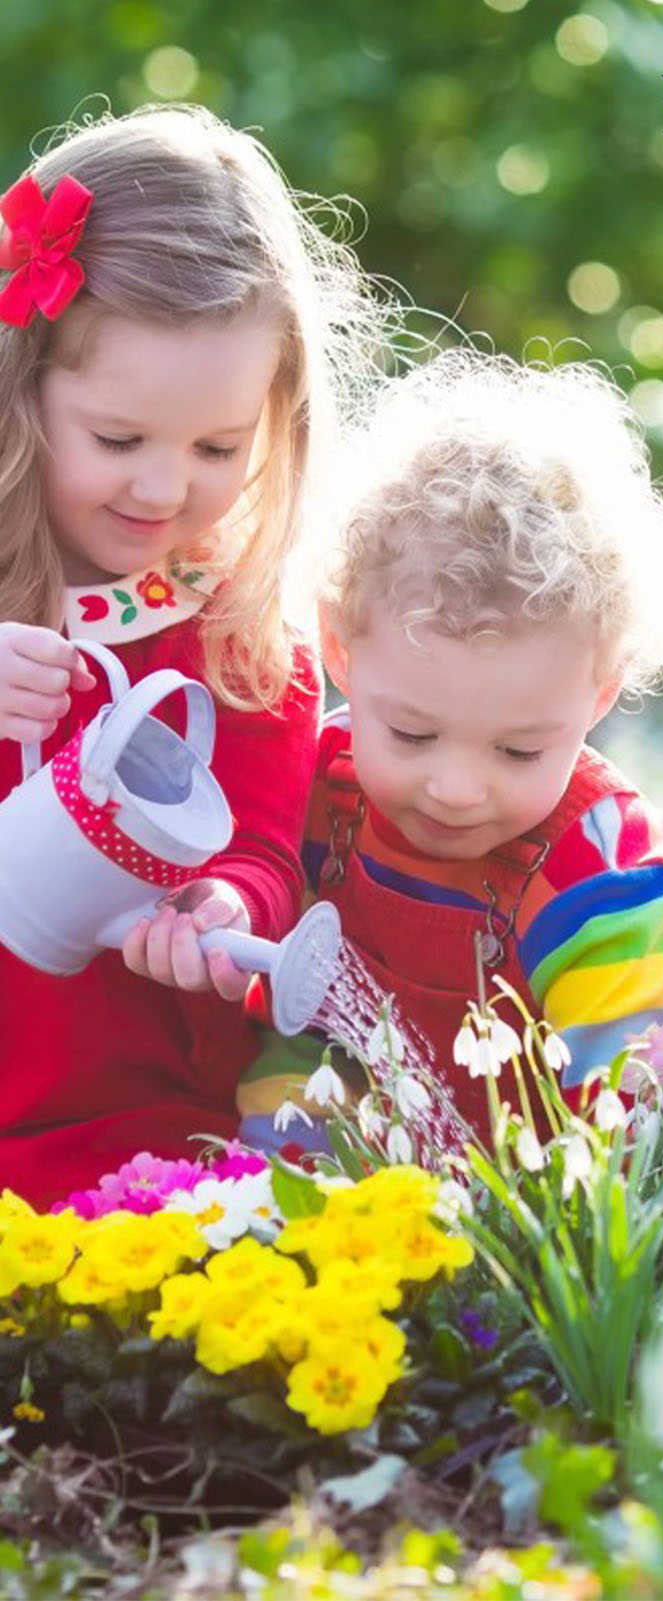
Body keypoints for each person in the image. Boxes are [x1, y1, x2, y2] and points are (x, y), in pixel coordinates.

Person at [0, 105, 388, 1204]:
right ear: (22, 392)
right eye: (118, 439)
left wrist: (227, 902)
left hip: (140, 1126)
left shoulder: (237, 621)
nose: (165, 489)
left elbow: (266, 845)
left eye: (219, 447)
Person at [237, 349, 663, 1149]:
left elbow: (636, 1118)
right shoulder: (316, 792)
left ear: (601, 690)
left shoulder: (612, 874)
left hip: (550, 1222)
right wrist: (285, 1176)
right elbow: (307, 1031)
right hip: (379, 1211)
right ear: (338, 646)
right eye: (411, 733)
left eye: (520, 750)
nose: (455, 787)